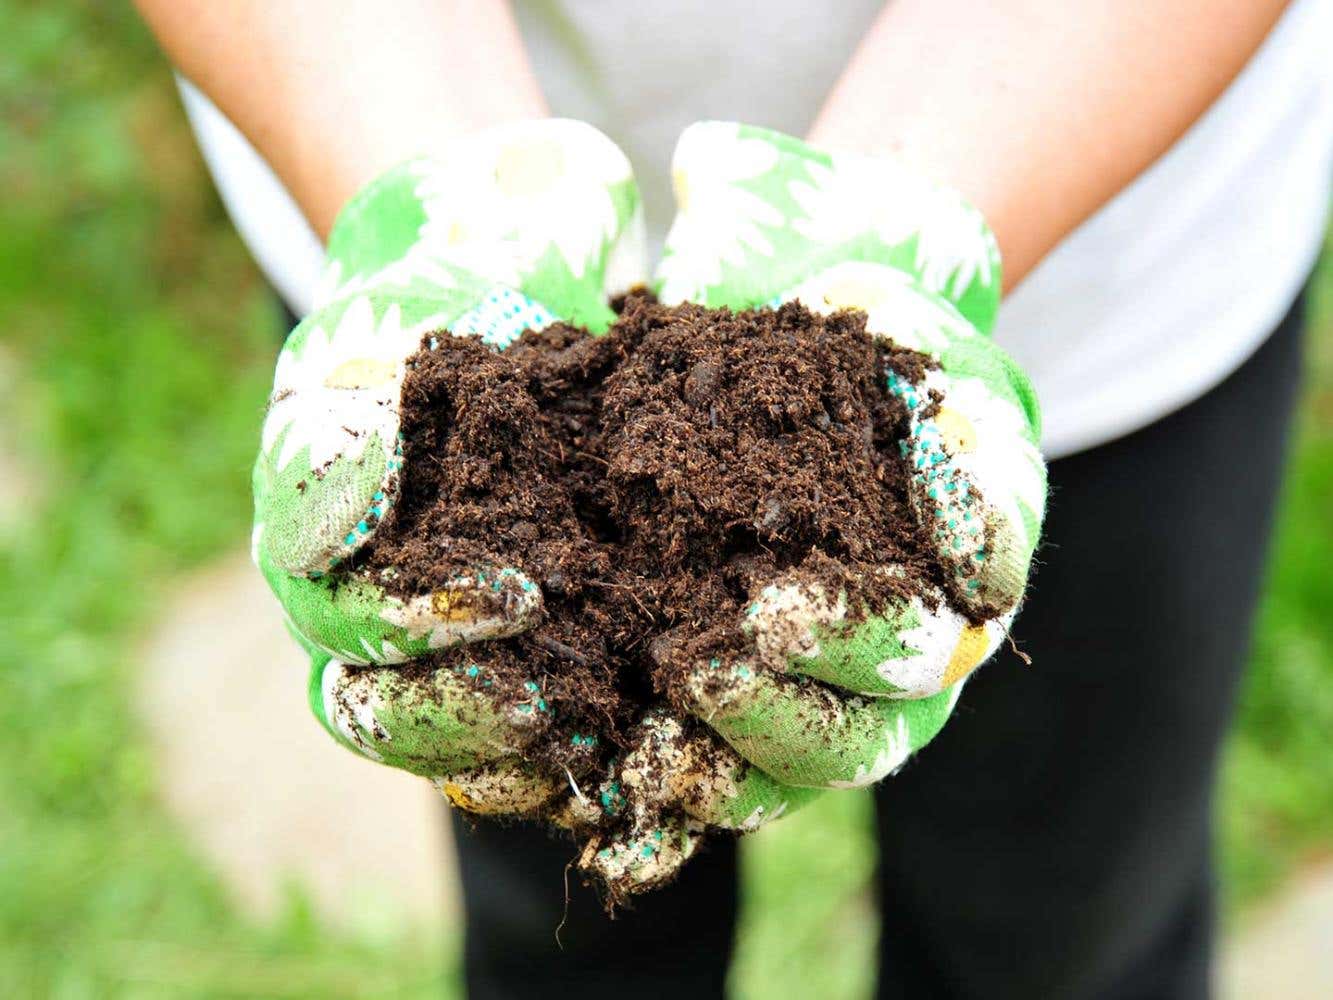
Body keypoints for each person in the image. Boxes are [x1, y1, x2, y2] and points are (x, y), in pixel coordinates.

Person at [135, 2, 1333, 997]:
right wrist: (433, 190)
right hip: (414, 209)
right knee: (553, 885)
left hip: (1102, 211)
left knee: (1062, 928)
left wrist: (905, 220)